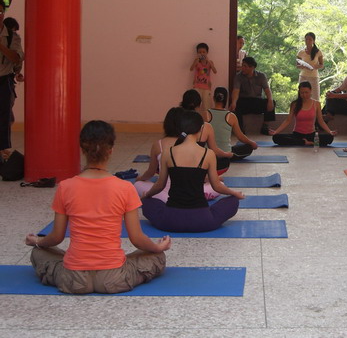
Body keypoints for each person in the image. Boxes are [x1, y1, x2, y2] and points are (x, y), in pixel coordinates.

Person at [24, 121, 170, 294]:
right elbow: (137, 239)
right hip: (114, 278)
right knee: (157, 256)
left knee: (38, 252)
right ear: (111, 150)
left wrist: (38, 242)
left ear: (82, 149)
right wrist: (157, 248)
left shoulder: (66, 187)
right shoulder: (125, 188)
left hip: (74, 279)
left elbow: (56, 237)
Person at [141, 110, 245, 233]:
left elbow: (160, 185)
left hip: (170, 220)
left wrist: (147, 195)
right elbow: (216, 186)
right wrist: (234, 193)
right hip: (203, 220)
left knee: (147, 202)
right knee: (233, 201)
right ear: (200, 129)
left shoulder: (168, 153)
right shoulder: (208, 154)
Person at [134, 107, 184, 201]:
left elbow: (151, 172)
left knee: (137, 184)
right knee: (214, 185)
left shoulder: (159, 144)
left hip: (165, 196)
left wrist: (140, 178)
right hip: (191, 195)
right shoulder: (192, 143)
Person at [180, 89, 235, 173]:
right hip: (197, 167)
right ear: (200, 104)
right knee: (223, 161)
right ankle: (207, 175)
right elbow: (215, 150)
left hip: (177, 165)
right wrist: (228, 154)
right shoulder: (205, 126)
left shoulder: (176, 120)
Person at [269, 81, 337, 146]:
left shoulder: (316, 104)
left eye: (306, 92)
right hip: (297, 135)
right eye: (302, 93)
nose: (304, 95)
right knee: (276, 138)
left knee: (329, 138)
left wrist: (330, 131)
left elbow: (321, 121)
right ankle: (303, 142)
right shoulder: (294, 104)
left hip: (311, 135)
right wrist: (276, 132)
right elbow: (288, 121)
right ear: (299, 92)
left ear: (310, 91)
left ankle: (308, 142)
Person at [208, 86, 258, 159]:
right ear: (226, 99)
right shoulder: (231, 116)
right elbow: (240, 136)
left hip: (209, 153)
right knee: (248, 147)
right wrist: (252, 143)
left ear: (213, 98)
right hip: (226, 153)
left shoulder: (206, 114)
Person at [230, 56, 276, 135]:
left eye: (245, 66)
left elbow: (267, 90)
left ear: (252, 67)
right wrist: (233, 102)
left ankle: (265, 127)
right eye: (242, 65)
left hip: (257, 101)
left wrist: (270, 100)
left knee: (272, 102)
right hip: (244, 101)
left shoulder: (261, 76)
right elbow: (236, 91)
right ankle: (240, 130)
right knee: (236, 104)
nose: (242, 68)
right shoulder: (238, 76)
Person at [0, 3, 23, 156]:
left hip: (3, 81)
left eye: (0, 12)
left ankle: (2, 150)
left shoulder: (12, 36)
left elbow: (16, 58)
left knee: (4, 117)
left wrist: (1, 46)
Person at [3, 17, 23, 125]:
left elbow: (17, 61)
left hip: (8, 82)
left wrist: (18, 73)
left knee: (7, 115)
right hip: (6, 82)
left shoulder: (14, 43)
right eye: (13, 31)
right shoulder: (7, 41)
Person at [190, 42, 217, 120]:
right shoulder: (196, 61)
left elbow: (215, 71)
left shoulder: (210, 62)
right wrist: (196, 61)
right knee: (196, 105)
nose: (202, 54)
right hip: (197, 86)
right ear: (197, 53)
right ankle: (196, 120)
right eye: (200, 52)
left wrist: (209, 61)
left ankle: (208, 121)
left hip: (206, 87)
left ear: (207, 52)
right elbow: (191, 69)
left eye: (203, 52)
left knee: (207, 106)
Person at [296, 32, 324, 101]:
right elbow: (297, 65)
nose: (308, 41)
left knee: (315, 97)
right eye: (306, 39)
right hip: (303, 76)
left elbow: (321, 65)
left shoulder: (318, 52)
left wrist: (315, 67)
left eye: (310, 39)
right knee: (302, 97)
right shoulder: (301, 52)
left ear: (313, 41)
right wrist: (303, 66)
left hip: (314, 77)